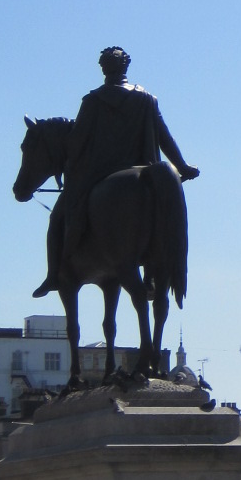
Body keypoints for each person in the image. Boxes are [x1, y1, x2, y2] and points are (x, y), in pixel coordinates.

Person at [35, 47, 198, 298]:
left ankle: (53, 274)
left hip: (100, 173)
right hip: (145, 167)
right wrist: (183, 166)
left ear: (103, 68)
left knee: (57, 218)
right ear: (126, 67)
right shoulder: (146, 99)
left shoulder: (93, 101)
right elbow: (164, 137)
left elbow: (77, 142)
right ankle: (154, 273)